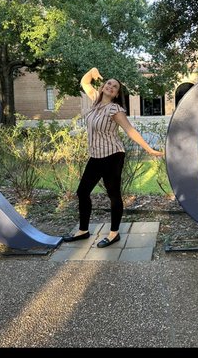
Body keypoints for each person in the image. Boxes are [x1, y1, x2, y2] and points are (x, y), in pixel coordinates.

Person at [63, 67, 165, 246]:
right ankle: (83, 230)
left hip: (112, 155)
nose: (111, 86)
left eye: (115, 86)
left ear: (117, 93)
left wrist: (149, 149)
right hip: (96, 156)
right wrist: (92, 71)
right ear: (102, 87)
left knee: (113, 194)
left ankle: (113, 233)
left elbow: (130, 130)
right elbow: (84, 82)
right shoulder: (95, 100)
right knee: (82, 191)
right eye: (108, 83)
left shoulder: (115, 110)